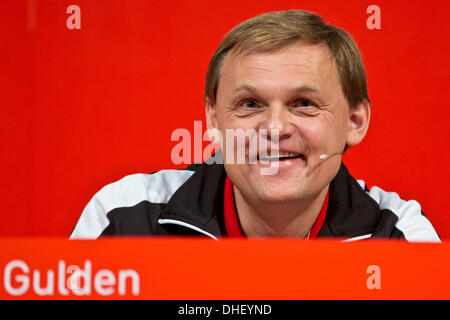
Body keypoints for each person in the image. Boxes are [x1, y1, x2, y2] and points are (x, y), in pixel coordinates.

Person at [70, 10, 440, 242]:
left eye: (304, 104)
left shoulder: (398, 237)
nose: (276, 127)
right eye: (250, 104)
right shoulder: (124, 219)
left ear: (355, 122)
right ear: (214, 122)